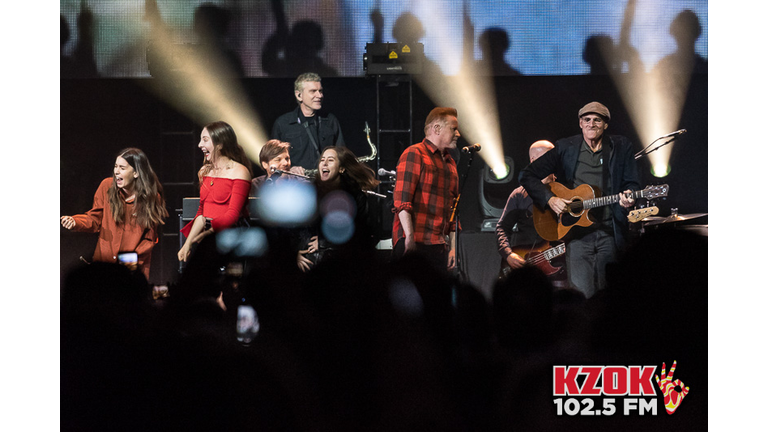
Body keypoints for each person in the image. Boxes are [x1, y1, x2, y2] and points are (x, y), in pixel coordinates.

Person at [518, 102, 640, 299]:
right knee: (582, 297)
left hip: (609, 232)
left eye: (597, 120)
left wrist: (629, 198)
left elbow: (632, 184)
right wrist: (550, 199)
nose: (591, 124)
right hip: (576, 236)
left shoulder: (620, 146)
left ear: (605, 125)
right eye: (587, 120)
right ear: (580, 123)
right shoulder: (566, 147)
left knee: (608, 296)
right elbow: (527, 175)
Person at [61, 148, 168, 280]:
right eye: (115, 166)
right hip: (104, 266)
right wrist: (75, 222)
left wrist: (126, 262)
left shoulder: (152, 198)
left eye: (122, 168)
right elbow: (94, 219)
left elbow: (149, 239)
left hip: (132, 271)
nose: (116, 171)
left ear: (136, 173)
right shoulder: (106, 187)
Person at [391, 107, 460, 273]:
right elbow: (402, 201)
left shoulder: (450, 164)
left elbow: (454, 210)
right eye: (453, 129)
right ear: (436, 128)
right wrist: (409, 238)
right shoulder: (415, 153)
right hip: (415, 242)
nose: (458, 134)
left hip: (438, 246)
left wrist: (453, 247)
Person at [178, 121, 252, 262]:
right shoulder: (206, 172)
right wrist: (187, 244)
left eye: (205, 140)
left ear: (220, 144)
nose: (200, 145)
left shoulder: (240, 171)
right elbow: (201, 212)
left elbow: (233, 215)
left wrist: (208, 233)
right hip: (208, 242)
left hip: (232, 240)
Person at [298, 146, 380, 271]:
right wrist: (295, 253)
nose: (324, 163)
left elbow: (363, 233)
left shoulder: (355, 196)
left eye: (330, 160)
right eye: (322, 160)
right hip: (311, 264)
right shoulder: (309, 194)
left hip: (344, 265)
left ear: (341, 168)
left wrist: (323, 242)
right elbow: (293, 229)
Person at [496, 140, 565, 286]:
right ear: (533, 160)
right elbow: (502, 227)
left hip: (561, 263)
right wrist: (508, 254)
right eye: (548, 156)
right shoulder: (519, 195)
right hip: (528, 265)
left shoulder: (567, 189)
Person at [270, 72, 345, 170]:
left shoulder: (330, 120)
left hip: (325, 183)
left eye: (320, 91)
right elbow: (273, 159)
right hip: (295, 183)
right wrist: (290, 169)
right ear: (299, 95)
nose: (320, 95)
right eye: (313, 91)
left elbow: (342, 154)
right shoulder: (283, 123)